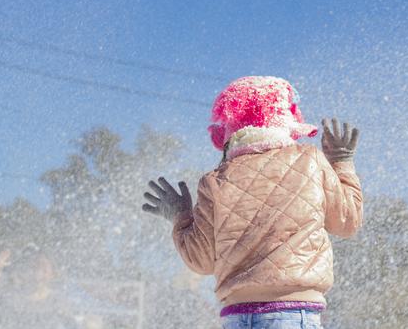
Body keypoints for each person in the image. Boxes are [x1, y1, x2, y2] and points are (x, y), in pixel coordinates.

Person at [143, 76, 363, 329]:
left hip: (236, 317)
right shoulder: (310, 161)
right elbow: (348, 221)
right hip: (294, 313)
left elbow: (201, 261)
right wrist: (342, 161)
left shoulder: (214, 181)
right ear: (287, 120)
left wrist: (181, 215)